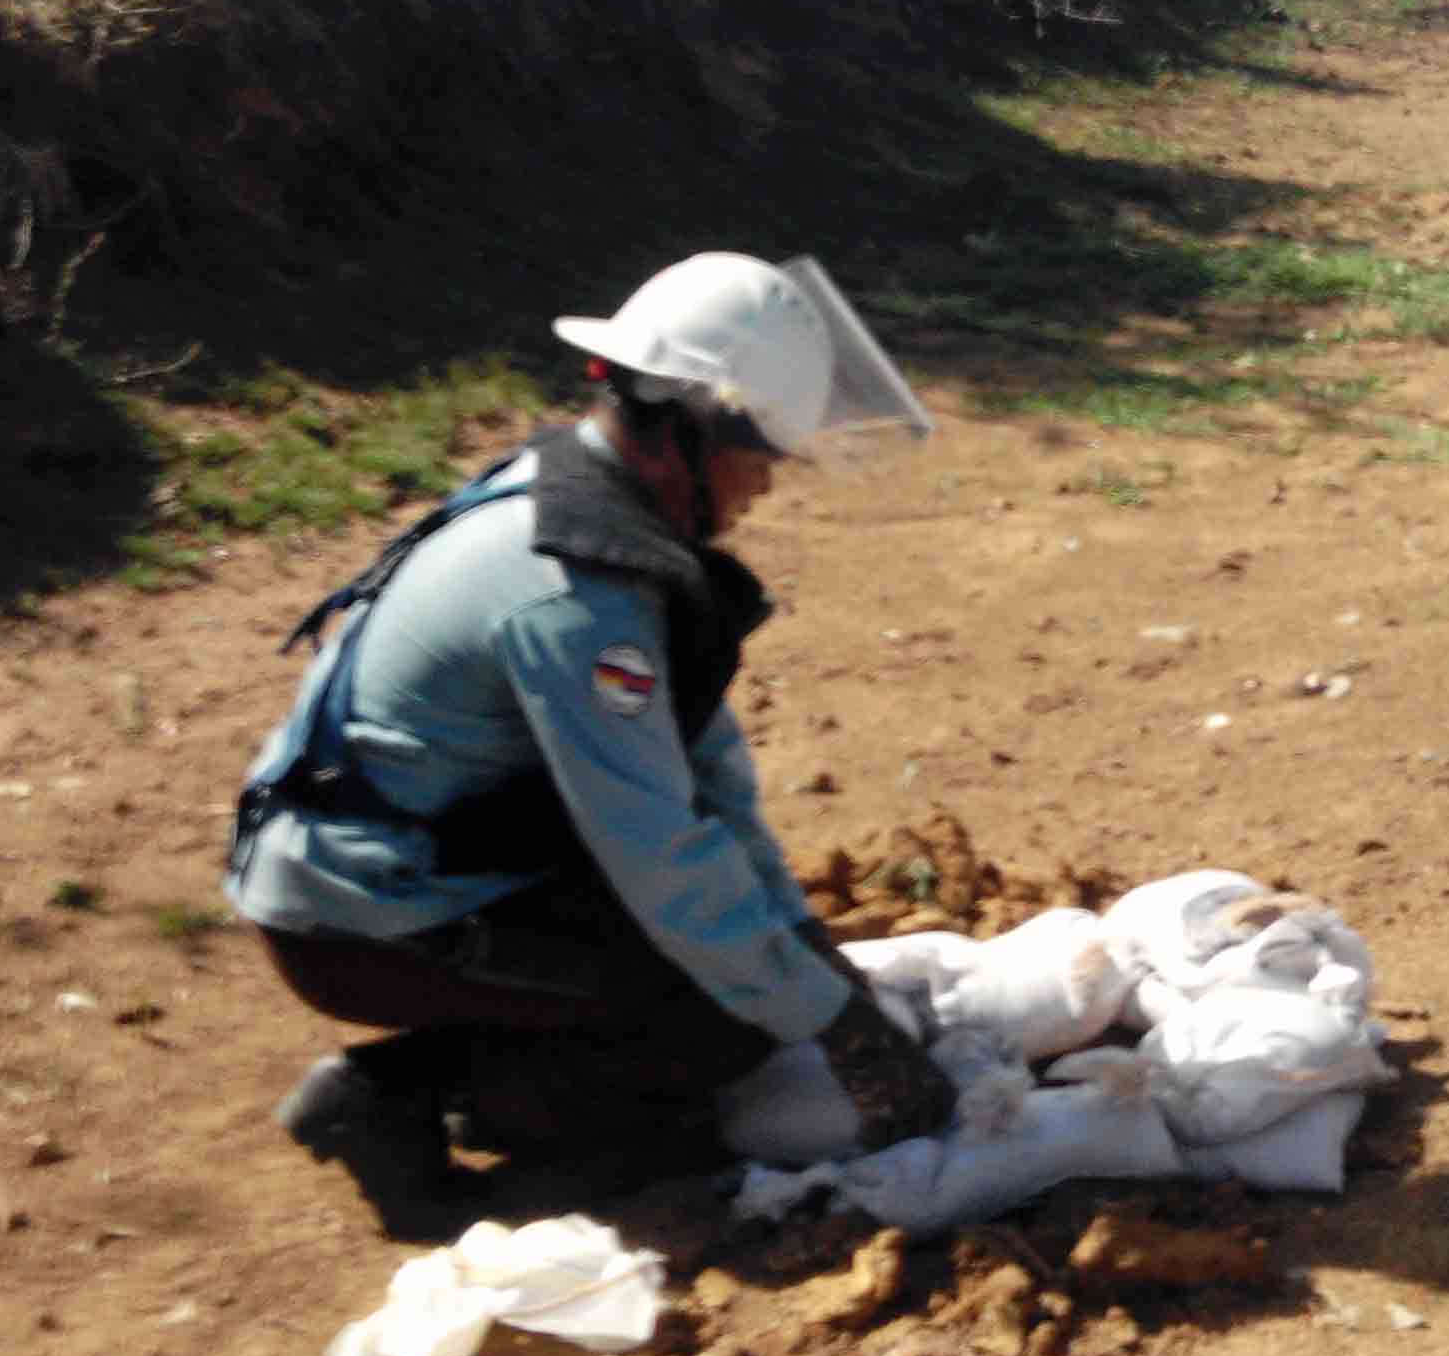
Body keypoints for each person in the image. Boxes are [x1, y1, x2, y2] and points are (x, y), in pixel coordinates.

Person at [228, 253, 957, 1237]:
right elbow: (658, 855)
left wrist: (808, 951)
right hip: (362, 917)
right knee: (718, 1018)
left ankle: (470, 1068)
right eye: (760, 455)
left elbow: (710, 782)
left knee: (743, 966)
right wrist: (825, 1019)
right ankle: (404, 1099)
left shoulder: (572, 497)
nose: (766, 488)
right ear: (691, 430)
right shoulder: (576, 600)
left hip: (403, 865)